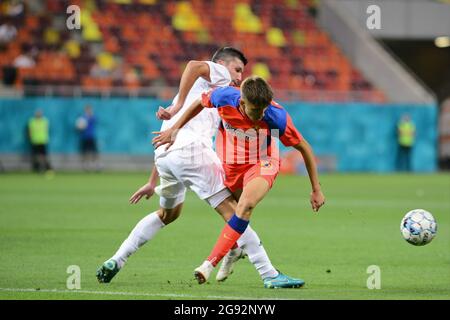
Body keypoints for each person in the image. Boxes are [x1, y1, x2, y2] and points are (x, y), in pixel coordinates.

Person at [96, 48, 303, 288]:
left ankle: (117, 260)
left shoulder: (221, 95)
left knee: (167, 215)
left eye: (241, 72)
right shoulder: (219, 75)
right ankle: (268, 272)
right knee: (235, 211)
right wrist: (178, 106)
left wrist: (153, 181)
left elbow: (169, 136)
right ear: (222, 64)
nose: (238, 77)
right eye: (237, 69)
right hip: (191, 151)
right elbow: (194, 65)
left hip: (166, 157)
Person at [153, 76, 326, 285]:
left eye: (263, 110)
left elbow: (304, 147)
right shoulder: (225, 97)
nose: (260, 115)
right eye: (255, 111)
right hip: (232, 165)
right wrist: (175, 128)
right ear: (242, 103)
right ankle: (233, 252)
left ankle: (209, 263)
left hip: (263, 162)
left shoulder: (276, 116)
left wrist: (316, 189)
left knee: (245, 205)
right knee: (236, 214)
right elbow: (200, 101)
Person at [76, 105, 100, 172]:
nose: (89, 111)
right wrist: (79, 128)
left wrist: (90, 116)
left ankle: (96, 165)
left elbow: (96, 120)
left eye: (90, 110)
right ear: (85, 110)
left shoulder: (93, 117)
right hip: (84, 137)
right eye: (88, 110)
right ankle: (86, 166)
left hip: (91, 137)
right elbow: (78, 127)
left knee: (94, 152)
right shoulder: (82, 118)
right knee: (85, 152)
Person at [28, 109, 52, 173]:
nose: (38, 114)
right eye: (37, 113)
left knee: (44, 156)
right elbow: (30, 131)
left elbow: (46, 129)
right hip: (35, 141)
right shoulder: (32, 121)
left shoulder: (45, 121)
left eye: (40, 113)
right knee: (37, 156)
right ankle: (39, 168)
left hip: (43, 141)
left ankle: (47, 168)